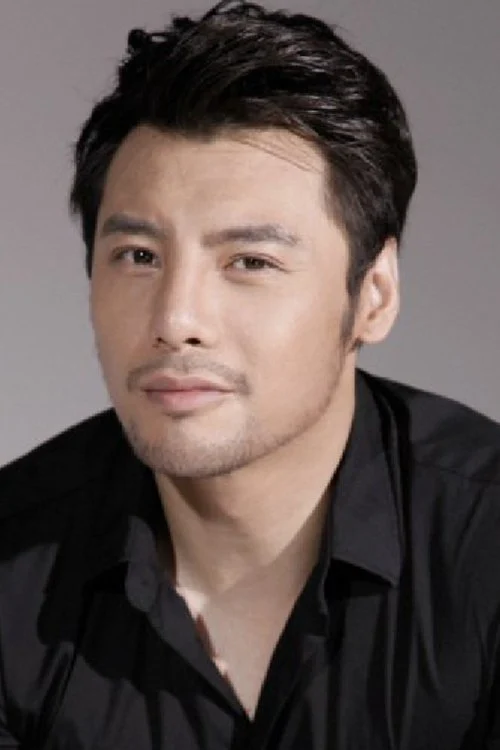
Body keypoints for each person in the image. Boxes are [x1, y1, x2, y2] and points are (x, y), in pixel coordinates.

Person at [1, 0, 499, 747]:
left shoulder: (483, 546)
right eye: (138, 256)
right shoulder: (13, 566)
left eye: (250, 262)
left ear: (374, 295)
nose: (176, 317)